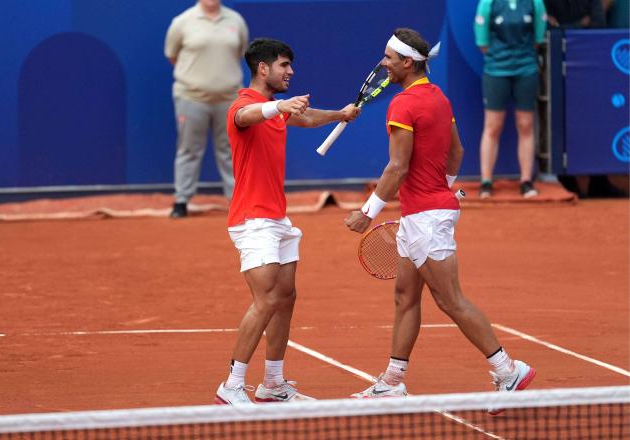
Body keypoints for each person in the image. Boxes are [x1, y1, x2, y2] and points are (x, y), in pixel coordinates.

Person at [345, 28, 536, 413]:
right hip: (425, 211)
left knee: (450, 300)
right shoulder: (438, 98)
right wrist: (443, 187)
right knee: (405, 296)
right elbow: (458, 151)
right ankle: (393, 382)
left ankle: (507, 370)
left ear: (407, 63)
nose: (383, 64)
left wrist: (367, 213)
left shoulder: (402, 106)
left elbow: (396, 168)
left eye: (388, 58)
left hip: (426, 217)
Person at [216, 38, 360, 405]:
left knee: (285, 298)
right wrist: (279, 105)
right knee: (265, 299)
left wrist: (339, 115)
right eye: (283, 65)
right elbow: (245, 117)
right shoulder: (244, 106)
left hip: (277, 218)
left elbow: (306, 117)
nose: (290, 71)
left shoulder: (276, 109)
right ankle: (232, 384)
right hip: (252, 220)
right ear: (263, 69)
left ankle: (273, 383)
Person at [164, 0, 249, 218]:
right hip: (191, 98)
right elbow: (172, 56)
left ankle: (237, 201)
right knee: (188, 149)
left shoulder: (236, 20)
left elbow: (240, 53)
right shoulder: (182, 22)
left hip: (230, 99)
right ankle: (181, 201)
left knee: (232, 151)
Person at [474, 0, 547, 198]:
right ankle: (486, 182)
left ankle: (526, 181)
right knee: (493, 126)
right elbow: (483, 43)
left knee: (525, 125)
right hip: (496, 71)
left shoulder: (535, 3)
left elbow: (537, 39)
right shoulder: (487, 4)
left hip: (526, 70)